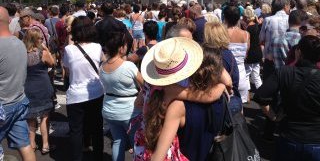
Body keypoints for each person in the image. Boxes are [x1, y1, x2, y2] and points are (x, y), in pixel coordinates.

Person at [142, 40, 227, 161]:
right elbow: (226, 82)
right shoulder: (220, 96)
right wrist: (222, 86)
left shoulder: (175, 103)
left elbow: (157, 157)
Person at [254, 35, 320, 161]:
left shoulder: (284, 72)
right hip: (319, 139)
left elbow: (261, 96)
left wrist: (273, 116)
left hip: (290, 136)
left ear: (298, 51)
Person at [63, 16, 104, 161]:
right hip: (96, 91)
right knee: (97, 127)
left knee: (76, 130)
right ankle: (98, 155)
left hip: (75, 95)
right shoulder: (97, 47)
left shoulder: (69, 49)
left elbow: (67, 71)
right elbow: (102, 65)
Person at [0, 6, 36, 161]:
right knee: (25, 145)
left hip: (3, 106)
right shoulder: (19, 43)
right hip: (19, 101)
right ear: (9, 21)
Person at [100, 32, 143, 161]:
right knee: (137, 143)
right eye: (125, 45)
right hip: (129, 111)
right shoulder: (128, 66)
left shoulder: (103, 66)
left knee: (117, 141)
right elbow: (145, 85)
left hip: (109, 109)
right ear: (120, 48)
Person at [23, 28, 55, 155]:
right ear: (37, 40)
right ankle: (46, 144)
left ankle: (32, 144)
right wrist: (46, 49)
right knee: (44, 116)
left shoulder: (22, 54)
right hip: (43, 86)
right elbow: (52, 63)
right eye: (40, 38)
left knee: (30, 118)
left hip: (28, 87)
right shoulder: (42, 53)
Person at [203, 22, 242, 114]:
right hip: (232, 99)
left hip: (222, 102)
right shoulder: (227, 53)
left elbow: (227, 83)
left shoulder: (216, 57)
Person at [223, 5, 250, 103]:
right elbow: (246, 55)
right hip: (242, 74)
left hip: (226, 74)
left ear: (225, 17)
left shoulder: (222, 33)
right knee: (240, 110)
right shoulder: (246, 34)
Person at [244, 7, 263, 89]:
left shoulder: (248, 29)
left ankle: (245, 94)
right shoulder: (257, 26)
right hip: (258, 52)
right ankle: (262, 92)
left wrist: (245, 54)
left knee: (246, 74)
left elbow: (247, 44)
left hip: (250, 53)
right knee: (256, 75)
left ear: (246, 17)